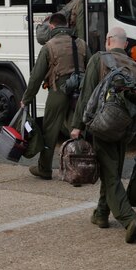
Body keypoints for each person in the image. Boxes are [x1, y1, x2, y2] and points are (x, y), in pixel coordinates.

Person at [70, 27, 136, 244]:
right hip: (126, 128)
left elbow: (86, 94)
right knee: (112, 169)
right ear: (125, 45)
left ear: (108, 40)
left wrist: (77, 125)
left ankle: (129, 219)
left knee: (110, 175)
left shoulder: (99, 59)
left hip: (103, 125)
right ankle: (101, 214)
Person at [21, 12, 88, 180]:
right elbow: (92, 68)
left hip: (58, 91)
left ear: (52, 27)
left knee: (50, 130)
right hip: (79, 92)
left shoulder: (49, 46)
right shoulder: (81, 43)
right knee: (78, 128)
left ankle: (44, 169)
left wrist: (26, 99)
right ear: (67, 25)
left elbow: (36, 77)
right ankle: (86, 165)